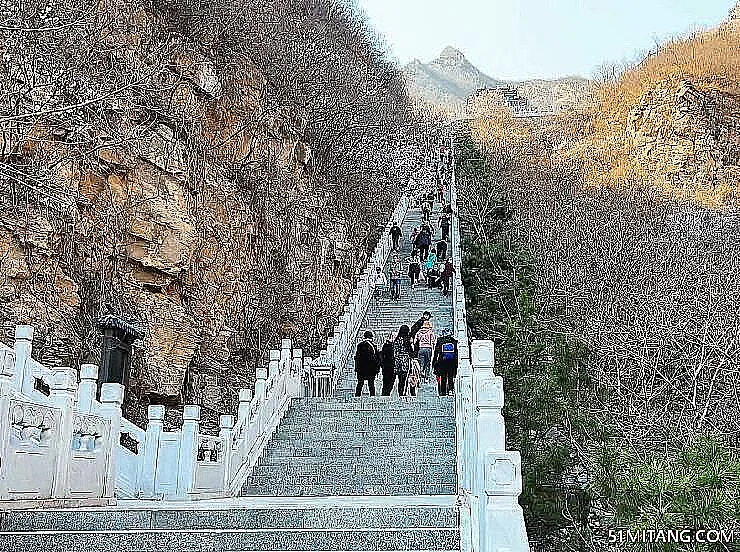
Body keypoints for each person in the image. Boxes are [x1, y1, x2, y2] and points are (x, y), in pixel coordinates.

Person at [354, 330, 380, 396]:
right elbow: (376, 359)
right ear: (371, 337)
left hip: (361, 369)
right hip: (371, 369)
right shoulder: (373, 346)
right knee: (371, 384)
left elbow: (357, 357)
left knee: (360, 384)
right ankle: (372, 397)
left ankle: (357, 397)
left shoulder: (359, 345)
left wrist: (357, 368)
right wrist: (377, 369)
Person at [433, 328, 458, 396]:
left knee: (443, 376)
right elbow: (456, 354)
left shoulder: (440, 341)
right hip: (452, 362)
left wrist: (434, 362)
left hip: (442, 361)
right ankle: (450, 390)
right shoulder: (454, 342)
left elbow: (436, 353)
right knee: (450, 376)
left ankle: (443, 391)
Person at [393, 325, 414, 396]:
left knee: (400, 379)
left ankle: (400, 392)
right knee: (404, 378)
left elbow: (395, 351)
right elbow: (411, 351)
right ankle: (403, 393)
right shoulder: (407, 339)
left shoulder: (397, 339)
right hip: (405, 361)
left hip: (397, 361)